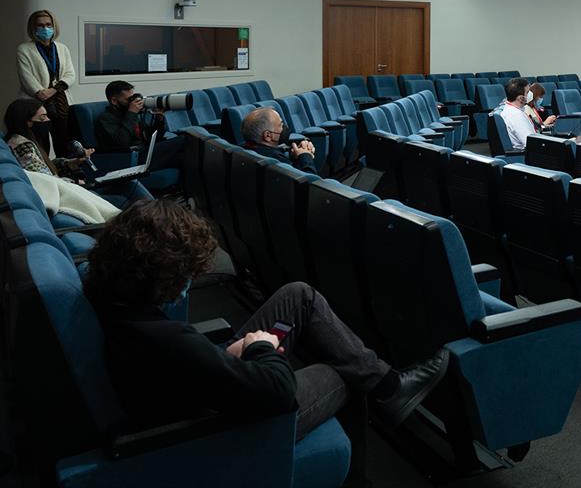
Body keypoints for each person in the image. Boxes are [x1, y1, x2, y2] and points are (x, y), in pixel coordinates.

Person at [84, 200, 450, 440]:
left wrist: (235, 353)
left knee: (299, 295)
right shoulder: (165, 339)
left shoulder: (110, 293)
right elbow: (277, 393)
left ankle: (389, 386)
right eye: (185, 274)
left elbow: (192, 366)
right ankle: (382, 403)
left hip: (198, 382)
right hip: (216, 423)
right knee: (340, 371)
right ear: (163, 275)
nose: (188, 283)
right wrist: (262, 348)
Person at [3, 98, 152, 207]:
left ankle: (159, 215)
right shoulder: (23, 146)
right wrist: (75, 182)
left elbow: (43, 166)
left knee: (130, 182)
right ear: (27, 122)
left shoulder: (26, 140)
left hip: (69, 187)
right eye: (43, 117)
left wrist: (72, 162)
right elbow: (46, 180)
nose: (48, 120)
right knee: (134, 199)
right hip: (67, 194)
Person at [16, 10, 76, 155]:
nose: (45, 28)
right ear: (33, 28)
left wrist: (53, 90)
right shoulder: (24, 49)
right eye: (40, 25)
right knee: (41, 146)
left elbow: (70, 74)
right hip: (36, 103)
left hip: (60, 102)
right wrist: (40, 92)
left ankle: (65, 175)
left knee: (63, 144)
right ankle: (47, 174)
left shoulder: (62, 48)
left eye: (48, 25)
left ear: (54, 26)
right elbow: (26, 77)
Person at [498, 78, 581, 151]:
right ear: (521, 98)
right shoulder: (516, 116)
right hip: (532, 155)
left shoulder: (511, 109)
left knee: (574, 140)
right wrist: (559, 144)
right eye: (528, 92)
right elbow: (532, 144)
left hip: (537, 144)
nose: (531, 94)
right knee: (575, 145)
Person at [241, 107, 317, 175]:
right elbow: (310, 186)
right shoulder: (276, 163)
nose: (284, 127)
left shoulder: (243, 149)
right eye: (281, 124)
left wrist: (296, 156)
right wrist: (306, 156)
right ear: (268, 135)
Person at [95, 80, 166, 152]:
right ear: (114, 101)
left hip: (147, 151)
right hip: (130, 155)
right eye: (129, 99)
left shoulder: (130, 114)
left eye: (133, 98)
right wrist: (131, 113)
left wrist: (159, 119)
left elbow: (151, 139)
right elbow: (122, 142)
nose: (132, 102)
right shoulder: (106, 118)